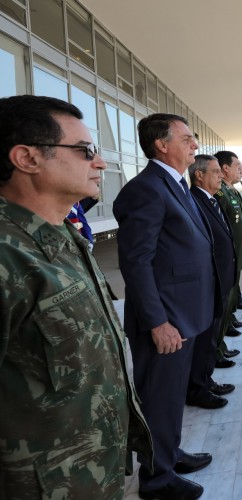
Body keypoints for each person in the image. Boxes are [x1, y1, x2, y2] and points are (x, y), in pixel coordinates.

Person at [0, 95, 152, 498]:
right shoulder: (6, 257)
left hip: (92, 474)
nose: (100, 163)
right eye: (85, 151)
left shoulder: (63, 236)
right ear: (27, 159)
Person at [114, 113, 221, 499]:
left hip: (185, 314)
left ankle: (169, 453)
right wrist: (158, 322)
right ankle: (157, 479)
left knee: (171, 396)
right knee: (158, 397)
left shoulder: (173, 184)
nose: (195, 144)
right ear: (162, 144)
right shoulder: (146, 189)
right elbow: (136, 263)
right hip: (165, 320)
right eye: (188, 138)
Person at [185, 155, 237, 409]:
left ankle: (205, 380)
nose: (220, 176)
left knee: (212, 336)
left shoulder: (212, 200)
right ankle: (197, 389)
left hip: (220, 280)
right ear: (199, 175)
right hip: (209, 283)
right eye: (215, 172)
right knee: (204, 340)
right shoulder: (194, 201)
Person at [215, 151, 242, 365]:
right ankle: (219, 342)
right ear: (225, 168)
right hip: (228, 254)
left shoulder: (231, 190)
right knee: (226, 294)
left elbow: (236, 219)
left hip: (236, 252)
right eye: (237, 165)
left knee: (232, 292)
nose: (241, 169)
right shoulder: (220, 193)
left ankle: (229, 321)